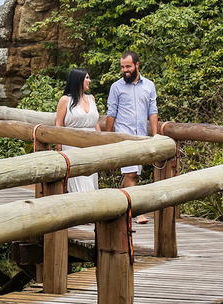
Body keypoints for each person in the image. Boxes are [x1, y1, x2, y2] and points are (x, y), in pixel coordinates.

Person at [105, 51, 158, 221]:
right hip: (124, 137)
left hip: (141, 137)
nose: (125, 70)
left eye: (128, 66)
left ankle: (117, 202)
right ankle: (136, 212)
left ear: (137, 65)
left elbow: (153, 111)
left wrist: (155, 135)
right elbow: (111, 113)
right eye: (122, 67)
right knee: (131, 174)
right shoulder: (116, 87)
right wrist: (107, 138)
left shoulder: (149, 85)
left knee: (132, 174)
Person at [54, 68, 101, 191]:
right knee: (80, 182)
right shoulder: (66, 100)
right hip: (72, 146)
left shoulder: (91, 98)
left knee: (91, 180)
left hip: (91, 146)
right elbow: (59, 124)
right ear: (78, 80)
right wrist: (59, 146)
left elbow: (96, 123)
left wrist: (101, 141)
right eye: (87, 78)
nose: (90, 81)